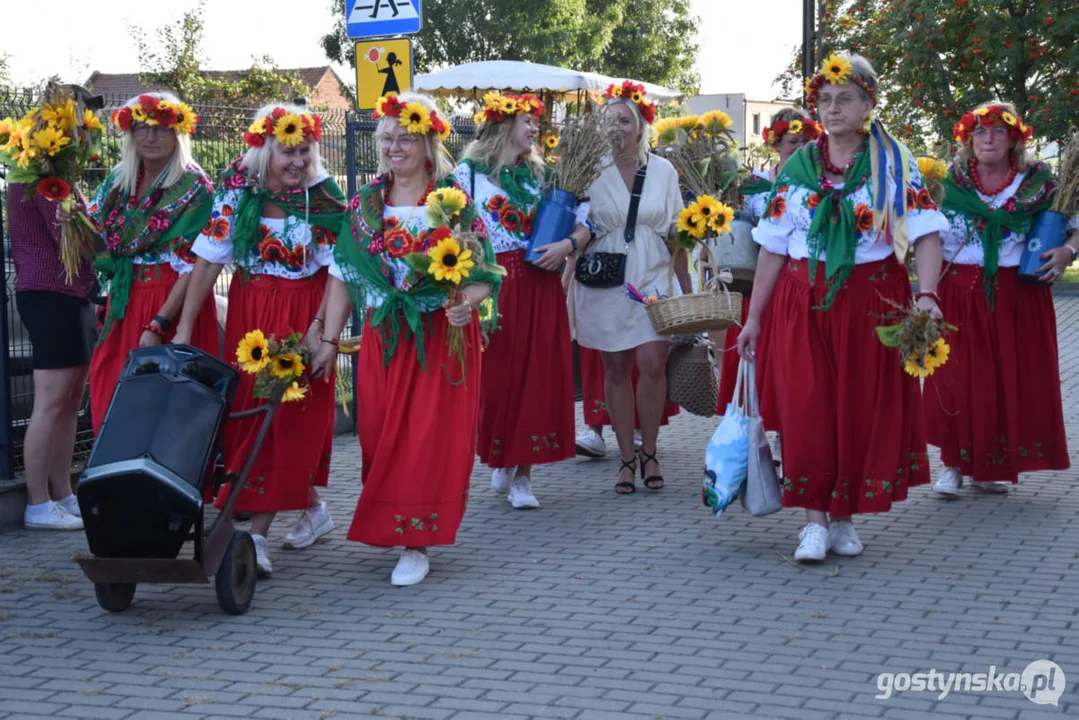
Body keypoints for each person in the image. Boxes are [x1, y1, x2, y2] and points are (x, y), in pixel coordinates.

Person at [737, 53, 949, 561]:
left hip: (869, 301)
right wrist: (755, 318)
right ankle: (813, 520)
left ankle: (845, 515)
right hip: (799, 299)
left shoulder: (894, 161)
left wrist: (927, 295)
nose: (832, 109)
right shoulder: (798, 166)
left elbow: (925, 233)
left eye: (844, 99)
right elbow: (771, 245)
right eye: (825, 101)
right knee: (807, 407)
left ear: (868, 104)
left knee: (856, 409)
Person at [310, 92, 502, 586]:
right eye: (388, 139)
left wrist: (467, 303)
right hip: (381, 335)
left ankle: (417, 541)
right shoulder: (364, 205)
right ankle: (399, 523)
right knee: (378, 432)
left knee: (424, 440)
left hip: (438, 338)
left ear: (428, 141)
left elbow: (487, 273)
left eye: (406, 138)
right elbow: (342, 276)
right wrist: (329, 341)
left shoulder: (452, 204)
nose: (395, 148)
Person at [172, 103, 340, 576]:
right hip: (250, 312)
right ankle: (314, 510)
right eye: (287, 151)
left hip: (301, 312)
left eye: (305, 151)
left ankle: (256, 537)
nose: (297, 162)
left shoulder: (321, 197)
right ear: (263, 149)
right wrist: (184, 328)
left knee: (286, 423)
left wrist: (322, 332)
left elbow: (337, 275)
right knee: (252, 422)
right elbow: (207, 260)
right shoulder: (236, 189)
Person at [925, 102, 1071, 495]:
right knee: (957, 379)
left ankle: (990, 466)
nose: (988, 139)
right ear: (968, 140)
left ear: (1014, 139)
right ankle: (953, 465)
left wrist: (1068, 251)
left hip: (1017, 296)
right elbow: (927, 236)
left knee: (1007, 379)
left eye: (998, 132)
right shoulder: (947, 184)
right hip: (958, 292)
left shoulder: (1037, 183)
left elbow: (1073, 223)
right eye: (980, 132)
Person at [452, 92, 586, 509]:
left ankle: (523, 475)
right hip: (492, 285)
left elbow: (586, 224)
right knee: (497, 380)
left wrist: (566, 245)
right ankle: (501, 456)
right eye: (527, 121)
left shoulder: (542, 176)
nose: (534, 129)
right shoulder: (464, 178)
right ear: (504, 125)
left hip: (540, 282)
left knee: (537, 379)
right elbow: (446, 230)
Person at [58, 93, 218, 436]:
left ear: (178, 133)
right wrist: (73, 221)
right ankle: (118, 484)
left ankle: (162, 488)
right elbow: (98, 240)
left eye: (161, 129)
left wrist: (161, 323)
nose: (150, 137)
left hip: (169, 300)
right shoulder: (119, 180)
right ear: (130, 134)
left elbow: (195, 264)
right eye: (142, 128)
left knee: (165, 409)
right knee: (110, 394)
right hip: (125, 299)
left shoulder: (194, 186)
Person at [572, 81, 689, 494]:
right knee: (615, 369)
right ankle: (624, 459)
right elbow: (576, 224)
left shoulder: (664, 171)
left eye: (625, 120)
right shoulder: (589, 169)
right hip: (605, 275)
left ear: (641, 127)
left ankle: (650, 451)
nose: (617, 127)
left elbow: (678, 233)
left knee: (653, 363)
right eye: (611, 120)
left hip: (652, 273)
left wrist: (688, 286)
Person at [714, 109, 821, 415]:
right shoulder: (755, 185)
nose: (800, 149)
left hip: (801, 281)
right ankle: (750, 427)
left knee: (789, 358)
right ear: (775, 144)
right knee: (757, 354)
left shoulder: (818, 186)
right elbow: (736, 228)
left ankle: (783, 430)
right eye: (792, 143)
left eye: (806, 143)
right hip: (758, 280)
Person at [8, 180, 97, 530]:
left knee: (70, 401)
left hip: (71, 292)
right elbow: (74, 237)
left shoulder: (57, 173)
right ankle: (37, 504)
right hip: (50, 293)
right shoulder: (40, 177)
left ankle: (62, 493)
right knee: (50, 402)